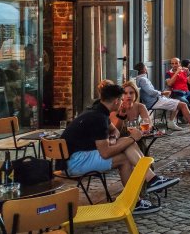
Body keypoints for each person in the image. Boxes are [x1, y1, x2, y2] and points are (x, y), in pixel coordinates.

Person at [61, 81, 180, 215]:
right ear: (117, 101)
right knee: (125, 158)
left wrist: (113, 139)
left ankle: (149, 183)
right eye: (122, 99)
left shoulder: (98, 110)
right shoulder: (98, 118)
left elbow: (115, 132)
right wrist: (132, 138)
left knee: (126, 144)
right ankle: (138, 198)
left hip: (75, 157)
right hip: (73, 162)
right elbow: (105, 153)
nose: (123, 102)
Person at [134, 63, 190, 132]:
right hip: (154, 101)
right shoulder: (142, 79)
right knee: (183, 105)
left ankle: (171, 122)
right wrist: (162, 93)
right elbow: (151, 92)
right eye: (145, 67)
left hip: (156, 99)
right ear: (144, 69)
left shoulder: (140, 78)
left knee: (177, 102)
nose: (146, 68)